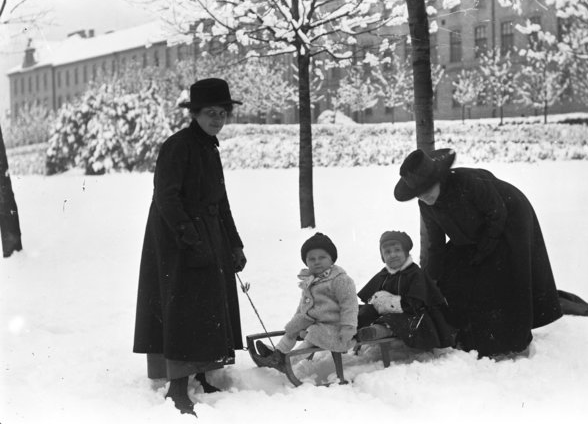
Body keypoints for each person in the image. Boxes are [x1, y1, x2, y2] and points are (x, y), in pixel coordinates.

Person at [133, 78, 247, 416]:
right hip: (175, 240)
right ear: (195, 113)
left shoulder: (209, 146)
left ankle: (201, 370)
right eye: (211, 113)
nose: (218, 119)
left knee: (209, 304)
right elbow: (166, 198)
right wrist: (190, 239)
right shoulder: (178, 146)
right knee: (186, 308)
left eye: (223, 113)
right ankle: (177, 389)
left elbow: (220, 201)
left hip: (208, 232)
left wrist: (234, 244)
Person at [394, 148, 563, 358]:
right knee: (454, 272)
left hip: (510, 217)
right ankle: (466, 333)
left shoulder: (467, 182)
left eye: (427, 188)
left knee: (499, 275)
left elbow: (497, 213)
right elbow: (436, 244)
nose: (424, 195)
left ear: (439, 178)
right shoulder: (426, 205)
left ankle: (511, 341)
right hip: (476, 229)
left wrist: (483, 252)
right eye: (418, 192)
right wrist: (430, 279)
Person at [256, 233, 358, 370]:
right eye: (311, 259)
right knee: (293, 328)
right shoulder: (310, 280)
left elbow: (349, 305)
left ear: (332, 259)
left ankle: (288, 362)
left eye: (322, 257)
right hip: (313, 321)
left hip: (334, 326)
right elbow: (303, 304)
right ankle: (277, 353)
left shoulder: (341, 280)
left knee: (313, 333)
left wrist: (348, 327)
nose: (317, 262)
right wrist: (296, 320)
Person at [356, 231, 456, 351]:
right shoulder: (384, 275)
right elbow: (371, 297)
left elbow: (415, 302)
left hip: (411, 313)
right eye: (387, 252)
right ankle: (351, 326)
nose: (393, 255)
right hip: (386, 312)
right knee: (365, 310)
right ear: (383, 256)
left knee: (396, 320)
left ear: (406, 252)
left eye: (397, 250)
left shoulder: (415, 273)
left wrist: (388, 303)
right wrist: (375, 303)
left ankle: (378, 331)